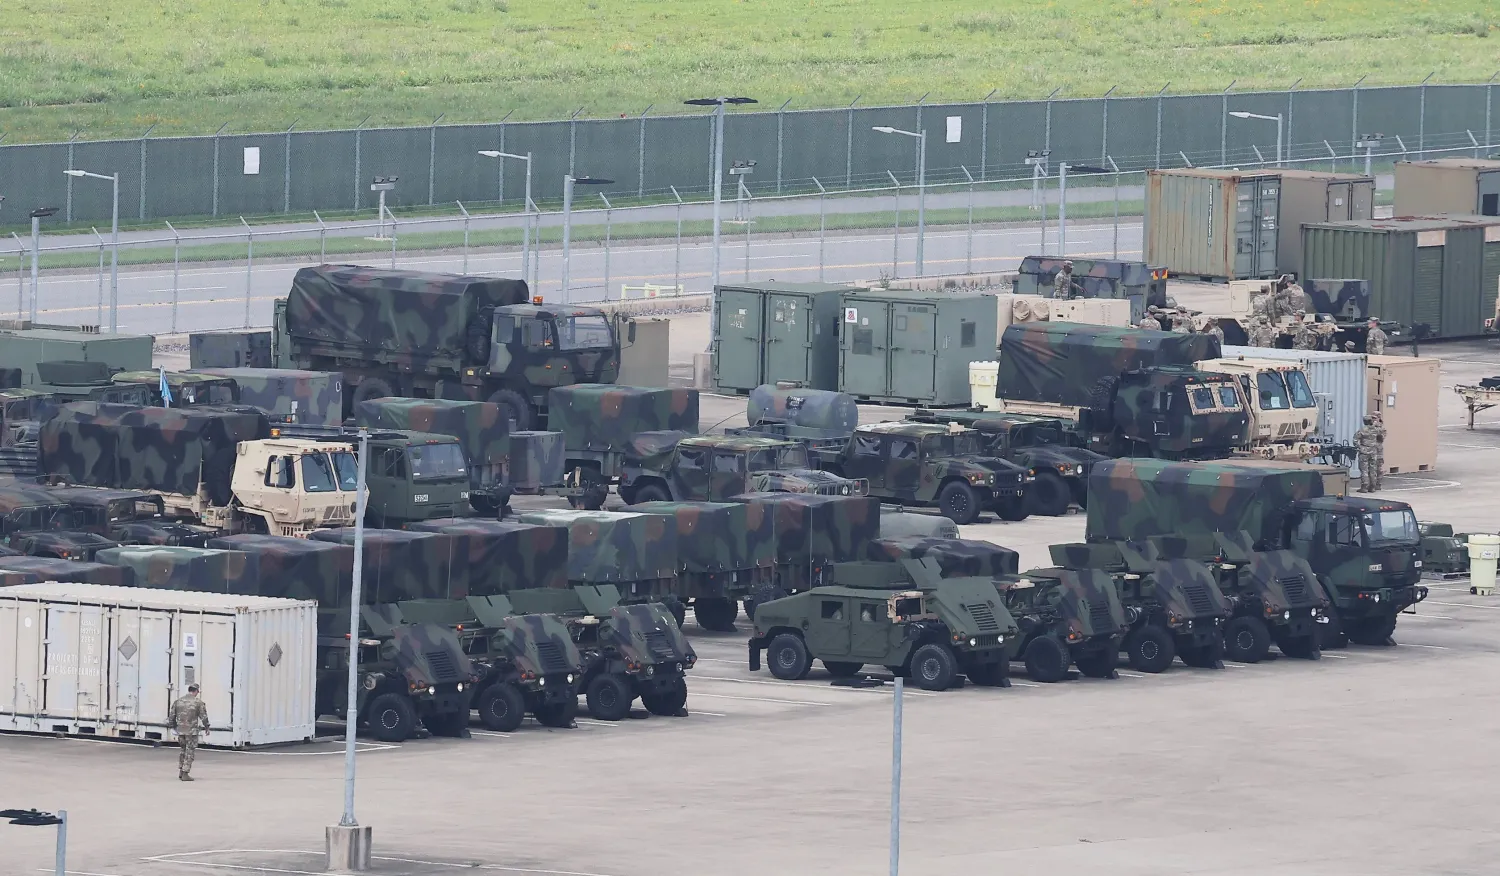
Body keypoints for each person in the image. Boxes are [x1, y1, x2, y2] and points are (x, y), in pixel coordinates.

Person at [170, 683, 210, 781]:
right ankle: (185, 773)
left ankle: (181, 770)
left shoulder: (178, 701)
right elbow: (204, 717)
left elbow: (171, 716)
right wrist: (207, 727)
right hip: (191, 732)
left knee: (183, 750)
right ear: (196, 691)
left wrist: (174, 727)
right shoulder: (198, 702)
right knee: (190, 751)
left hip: (180, 731)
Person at [1354, 417, 1380, 492]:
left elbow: (1355, 440)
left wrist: (1359, 447)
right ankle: (1373, 487)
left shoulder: (1362, 430)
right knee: (1373, 469)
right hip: (1373, 452)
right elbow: (1380, 438)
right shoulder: (1376, 429)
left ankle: (1364, 487)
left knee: (1364, 470)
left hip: (1364, 452)